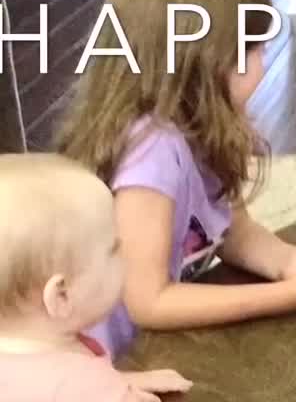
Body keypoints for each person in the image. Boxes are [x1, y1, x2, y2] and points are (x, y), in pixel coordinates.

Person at [56, 0, 296, 360]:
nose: (264, 61)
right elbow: (148, 302)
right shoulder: (152, 150)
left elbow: (230, 230)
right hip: (98, 362)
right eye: (253, 50)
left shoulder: (201, 127)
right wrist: (293, 294)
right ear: (201, 64)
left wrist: (291, 262)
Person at [0, 153, 193, 402]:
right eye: (113, 249)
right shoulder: (87, 387)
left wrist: (121, 381)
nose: (124, 253)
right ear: (62, 295)